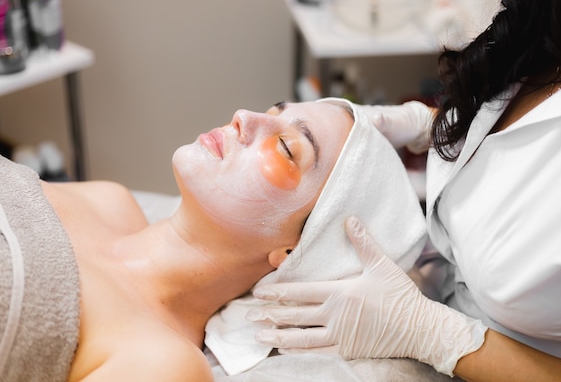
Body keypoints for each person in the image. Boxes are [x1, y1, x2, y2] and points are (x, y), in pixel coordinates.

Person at [247, 0, 561, 381]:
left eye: (289, 147)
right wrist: (441, 125)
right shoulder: (551, 13)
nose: (241, 119)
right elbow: (535, 151)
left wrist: (437, 336)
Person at [0, 98, 425, 382]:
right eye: (272, 108)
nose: (244, 115)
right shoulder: (110, 200)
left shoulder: (164, 362)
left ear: (294, 253)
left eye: (286, 148)